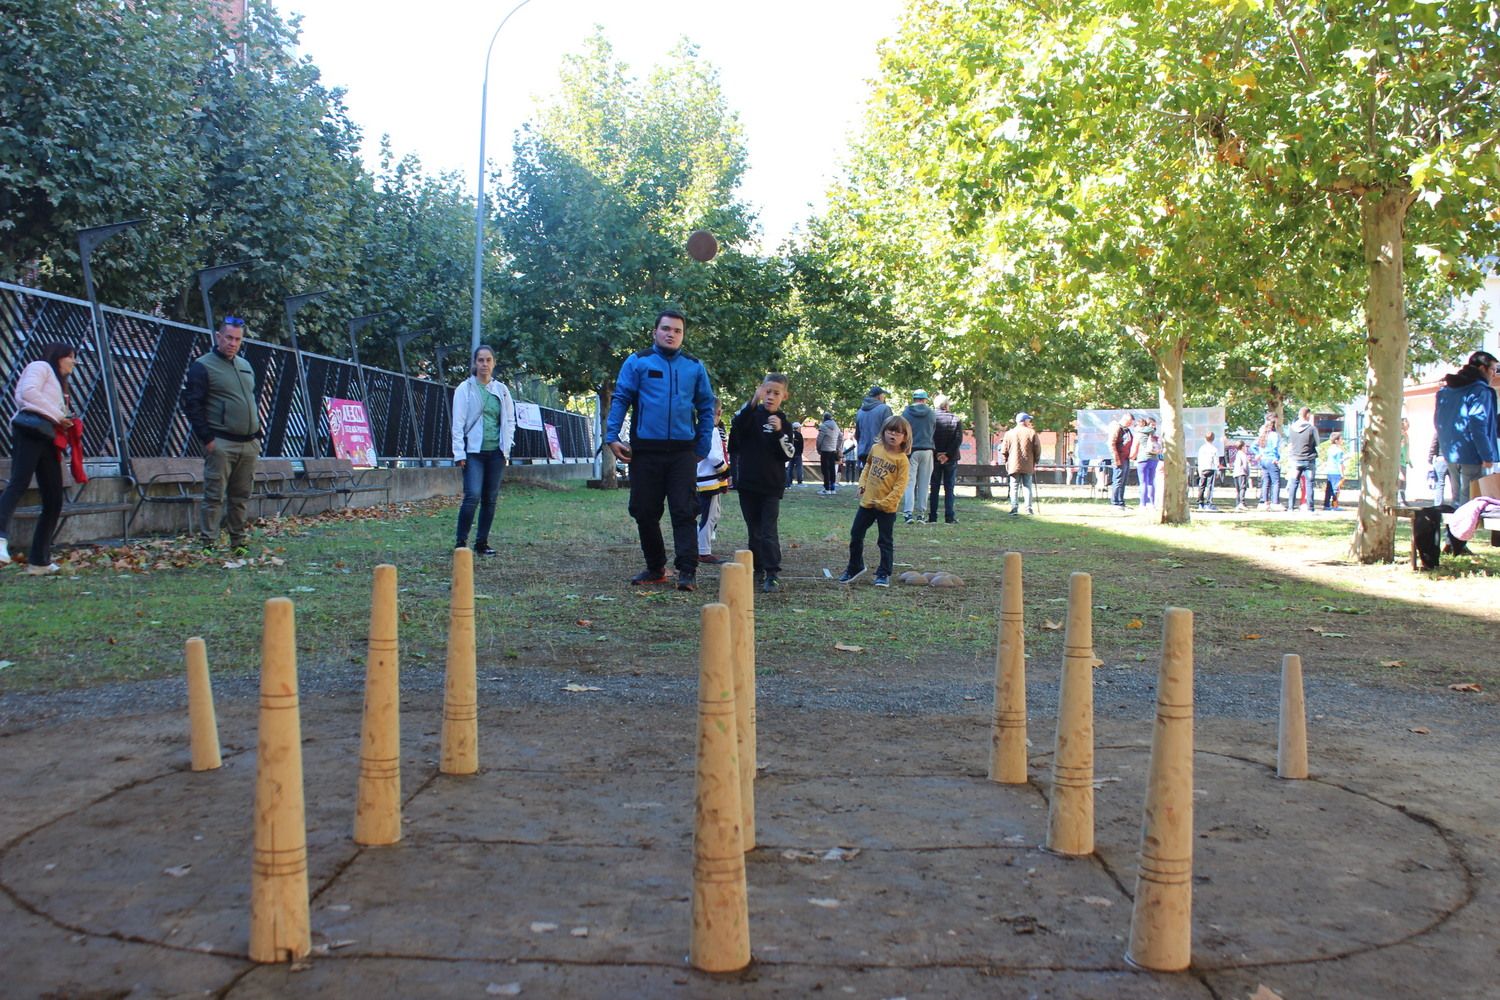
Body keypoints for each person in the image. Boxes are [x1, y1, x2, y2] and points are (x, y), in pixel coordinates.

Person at [606, 309, 716, 591]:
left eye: (677, 331)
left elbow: (706, 407)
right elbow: (621, 398)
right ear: (655, 332)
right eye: (666, 329)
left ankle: (687, 571)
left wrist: (702, 445)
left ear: (682, 335)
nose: (671, 334)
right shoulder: (638, 362)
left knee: (685, 510)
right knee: (644, 510)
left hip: (682, 453)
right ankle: (655, 567)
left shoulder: (694, 366)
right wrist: (612, 436)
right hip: (645, 451)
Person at [182, 315, 261, 554]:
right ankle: (209, 542)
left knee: (241, 496)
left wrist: (258, 434)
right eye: (228, 337)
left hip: (248, 443)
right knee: (214, 495)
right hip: (221, 442)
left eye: (238, 339)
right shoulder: (203, 366)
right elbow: (192, 404)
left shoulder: (245, 366)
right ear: (218, 337)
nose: (233, 343)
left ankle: (238, 541)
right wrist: (207, 439)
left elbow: (250, 400)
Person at [0, 344, 78, 575]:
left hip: (48, 436)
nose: (74, 362)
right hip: (30, 430)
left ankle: (40, 561)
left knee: (54, 497)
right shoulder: (40, 366)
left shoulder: (60, 383)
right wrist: (57, 415)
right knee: (19, 482)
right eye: (71, 357)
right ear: (59, 357)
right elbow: (27, 393)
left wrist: (64, 419)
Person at [729, 374, 798, 593]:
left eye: (776, 393)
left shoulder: (784, 424)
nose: (770, 397)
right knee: (754, 530)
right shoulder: (750, 416)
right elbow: (737, 425)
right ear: (761, 391)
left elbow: (788, 454)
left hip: (771, 486)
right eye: (767, 392)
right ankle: (756, 568)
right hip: (748, 484)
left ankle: (771, 572)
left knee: (768, 530)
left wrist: (779, 432)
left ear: (784, 396)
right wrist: (752, 401)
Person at [450, 344, 517, 555]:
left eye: (488, 360)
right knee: (472, 495)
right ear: (474, 363)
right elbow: (458, 424)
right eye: (480, 360)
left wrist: (506, 449)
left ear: (494, 363)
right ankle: (461, 543)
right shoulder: (465, 389)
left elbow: (508, 420)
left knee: (490, 497)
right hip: (473, 453)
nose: (484, 364)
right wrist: (459, 453)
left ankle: (482, 543)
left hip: (496, 453)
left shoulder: (502, 390)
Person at [839, 415, 910, 588]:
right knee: (856, 534)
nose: (893, 435)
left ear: (905, 437)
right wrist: (862, 485)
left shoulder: (902, 460)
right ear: (883, 432)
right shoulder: (876, 448)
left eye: (898, 433)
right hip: (868, 503)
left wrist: (886, 502)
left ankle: (883, 573)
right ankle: (855, 566)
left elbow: (900, 487)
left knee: (885, 541)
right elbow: (868, 467)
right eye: (890, 431)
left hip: (887, 508)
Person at [1434, 350, 1499, 505]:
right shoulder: (1480, 391)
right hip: (1473, 455)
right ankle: (1456, 530)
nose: (1494, 374)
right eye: (1493, 370)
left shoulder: (1445, 391)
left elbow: (1438, 422)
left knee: (1457, 500)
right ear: (1483, 369)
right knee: (1470, 504)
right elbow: (1477, 424)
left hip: (1451, 454)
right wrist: (1487, 455)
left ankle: (1451, 529)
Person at [695, 401, 730, 563]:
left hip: (707, 479)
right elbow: (714, 456)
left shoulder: (701, 430)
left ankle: (699, 545)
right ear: (719, 412)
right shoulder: (711, 431)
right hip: (708, 480)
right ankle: (703, 550)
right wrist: (725, 470)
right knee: (709, 516)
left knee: (712, 514)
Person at [901, 389, 936, 523]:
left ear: (914, 399)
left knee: (909, 483)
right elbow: (933, 431)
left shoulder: (906, 413)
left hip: (911, 451)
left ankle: (908, 513)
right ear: (925, 399)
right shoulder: (931, 414)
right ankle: (921, 513)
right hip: (927, 449)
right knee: (924, 483)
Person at [927, 394, 962, 524]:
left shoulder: (930, 419)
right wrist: (947, 455)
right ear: (947, 405)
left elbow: (929, 437)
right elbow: (958, 439)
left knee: (934, 488)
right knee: (949, 488)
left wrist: (937, 454)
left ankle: (933, 516)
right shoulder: (955, 419)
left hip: (934, 458)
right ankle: (949, 516)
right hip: (951, 459)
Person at [1000, 411, 1041, 515]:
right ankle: (1028, 508)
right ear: (1024, 421)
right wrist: (1036, 460)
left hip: (1013, 464)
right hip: (1028, 464)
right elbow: (1037, 448)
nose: (1029, 421)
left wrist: (1006, 462)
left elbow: (1004, 450)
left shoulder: (1009, 433)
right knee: (1027, 486)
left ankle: (1014, 508)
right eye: (1028, 419)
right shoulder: (1031, 432)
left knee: (1014, 487)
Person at [1287, 407, 1320, 513]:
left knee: (1294, 483)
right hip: (1309, 459)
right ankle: (1310, 508)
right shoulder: (1312, 428)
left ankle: (1290, 507)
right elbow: (1318, 442)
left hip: (1295, 459)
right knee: (1309, 483)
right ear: (1308, 415)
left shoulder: (1291, 428)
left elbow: (1291, 443)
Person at [854, 385, 893, 467]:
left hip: (863, 451)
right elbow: (890, 430)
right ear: (879, 396)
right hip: (880, 451)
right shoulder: (885, 409)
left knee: (866, 477)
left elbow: (857, 434)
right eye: (883, 395)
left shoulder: (860, 412)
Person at [1255, 415, 1284, 510]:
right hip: (1272, 460)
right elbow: (1275, 448)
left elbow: (1253, 446)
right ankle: (1275, 503)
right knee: (1275, 482)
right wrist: (1277, 458)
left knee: (1266, 482)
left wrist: (1258, 454)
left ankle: (1264, 502)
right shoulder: (1274, 435)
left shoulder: (1263, 435)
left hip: (1263, 460)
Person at [1108, 413, 1135, 509]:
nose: (1130, 424)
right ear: (1125, 420)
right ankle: (1115, 502)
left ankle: (1121, 501)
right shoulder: (1117, 428)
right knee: (1118, 481)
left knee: (1123, 481)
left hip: (1126, 458)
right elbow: (1112, 443)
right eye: (1129, 422)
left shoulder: (1126, 430)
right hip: (1119, 458)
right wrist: (1116, 459)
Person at [1134, 418, 1161, 509]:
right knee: (1151, 481)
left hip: (1143, 458)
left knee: (1143, 482)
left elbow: (1136, 445)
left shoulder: (1140, 432)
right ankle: (1152, 503)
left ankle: (1143, 504)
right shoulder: (1154, 432)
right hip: (1154, 458)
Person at [815, 412, 842, 495]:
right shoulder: (836, 426)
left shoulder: (823, 426)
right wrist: (837, 447)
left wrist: (818, 449)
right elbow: (841, 437)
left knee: (825, 470)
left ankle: (827, 488)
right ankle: (833, 488)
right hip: (833, 451)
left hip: (825, 450)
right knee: (832, 469)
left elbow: (819, 440)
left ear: (824, 418)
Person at [1195, 431, 1220, 510]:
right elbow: (1216, 461)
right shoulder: (1214, 449)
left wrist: (1199, 470)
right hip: (1211, 469)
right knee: (1210, 487)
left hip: (1203, 469)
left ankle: (1200, 504)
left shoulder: (1201, 448)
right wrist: (1218, 471)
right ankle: (1208, 504)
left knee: (1201, 486)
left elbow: (1199, 460)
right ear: (1213, 439)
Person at [1321, 430, 1346, 510]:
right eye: (1341, 439)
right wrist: (1342, 474)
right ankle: (1334, 506)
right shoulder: (1339, 451)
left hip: (1329, 471)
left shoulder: (1330, 449)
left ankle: (1326, 504)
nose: (1342, 440)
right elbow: (1339, 463)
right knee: (1336, 490)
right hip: (1336, 471)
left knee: (1329, 488)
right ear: (1336, 440)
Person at [1231, 443, 1252, 510]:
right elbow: (1245, 465)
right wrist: (1247, 473)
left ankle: (1238, 503)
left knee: (1238, 490)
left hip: (1236, 473)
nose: (1246, 448)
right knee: (1242, 488)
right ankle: (1241, 503)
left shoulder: (1237, 454)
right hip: (1242, 473)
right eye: (1245, 446)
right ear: (1242, 447)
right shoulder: (1243, 454)